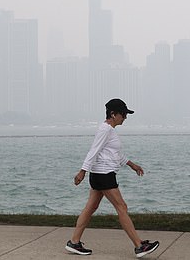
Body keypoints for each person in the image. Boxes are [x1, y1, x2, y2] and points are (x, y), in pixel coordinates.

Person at [65, 98, 160, 258]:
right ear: (113, 114)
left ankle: (74, 242)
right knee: (121, 207)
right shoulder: (106, 130)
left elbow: (114, 154)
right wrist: (82, 171)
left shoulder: (110, 131)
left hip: (100, 174)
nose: (125, 117)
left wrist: (131, 164)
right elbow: (93, 151)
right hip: (103, 175)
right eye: (123, 114)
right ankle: (139, 246)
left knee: (90, 208)